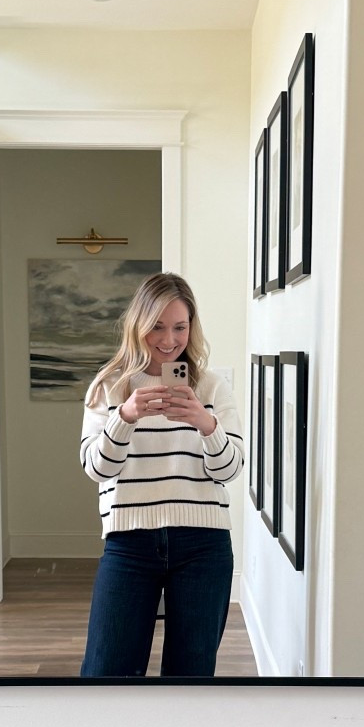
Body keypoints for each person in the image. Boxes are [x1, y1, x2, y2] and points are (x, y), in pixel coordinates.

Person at [79, 272, 243, 677]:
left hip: (204, 543)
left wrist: (206, 426)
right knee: (106, 672)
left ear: (192, 327)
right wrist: (125, 417)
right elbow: (97, 469)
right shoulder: (109, 387)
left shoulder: (212, 387)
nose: (169, 339)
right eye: (157, 326)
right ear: (138, 325)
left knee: (190, 676)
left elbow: (231, 469)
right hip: (129, 541)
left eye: (179, 327)